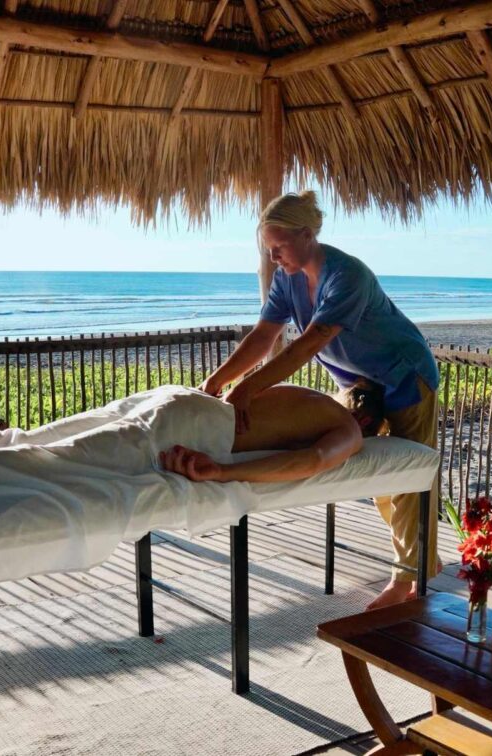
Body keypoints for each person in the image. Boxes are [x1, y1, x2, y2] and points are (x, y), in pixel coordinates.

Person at [197, 191, 440, 610]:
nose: (274, 258)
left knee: (406, 475)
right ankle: (420, 563)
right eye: (268, 250)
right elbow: (263, 337)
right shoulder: (287, 279)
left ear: (307, 235)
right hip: (359, 384)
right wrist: (217, 382)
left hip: (405, 376)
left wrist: (249, 389)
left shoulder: (348, 275)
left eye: (279, 248)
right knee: (376, 476)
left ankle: (407, 580)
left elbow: (305, 347)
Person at [161, 380, 385, 483]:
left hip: (179, 400)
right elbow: (314, 460)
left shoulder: (308, 395)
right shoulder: (351, 429)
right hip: (196, 430)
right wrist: (222, 472)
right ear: (365, 420)